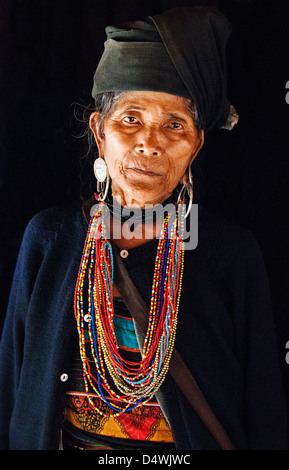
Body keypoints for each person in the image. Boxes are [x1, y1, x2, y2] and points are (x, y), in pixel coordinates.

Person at [0, 6, 287, 450]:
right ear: (100, 132)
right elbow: (13, 383)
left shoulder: (231, 254)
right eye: (130, 119)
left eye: (174, 125)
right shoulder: (49, 239)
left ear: (195, 146)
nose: (149, 143)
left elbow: (264, 408)